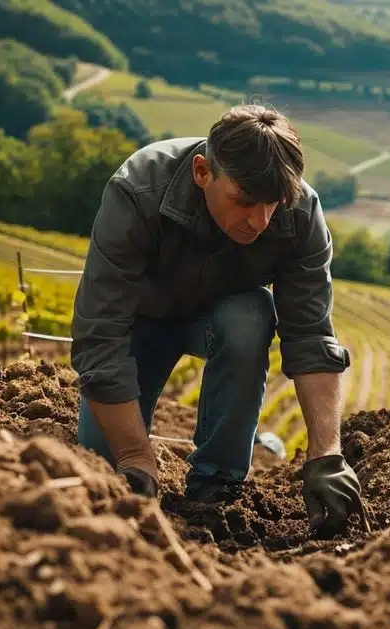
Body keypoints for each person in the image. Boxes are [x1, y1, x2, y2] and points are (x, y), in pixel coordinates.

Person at [69, 104, 364, 537]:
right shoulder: (138, 190)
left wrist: (327, 454)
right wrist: (135, 454)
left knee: (250, 314)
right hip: (139, 322)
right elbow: (100, 335)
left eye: (273, 204)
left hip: (223, 319)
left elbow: (311, 336)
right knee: (106, 467)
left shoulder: (301, 214)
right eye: (244, 201)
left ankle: (217, 486)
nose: (260, 221)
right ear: (204, 172)